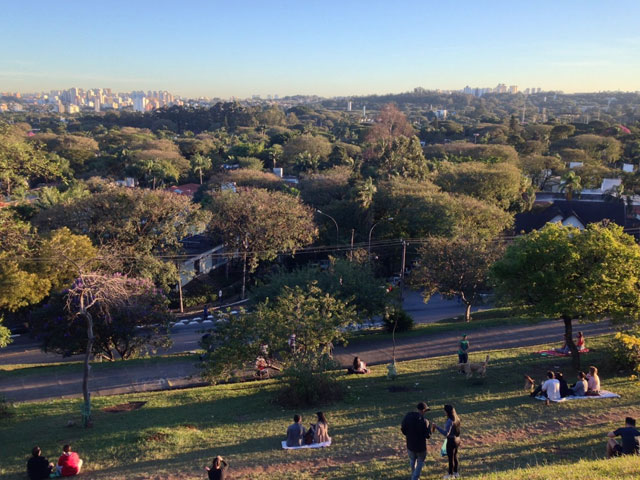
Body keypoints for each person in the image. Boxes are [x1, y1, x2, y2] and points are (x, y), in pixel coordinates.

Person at [401, 402, 431, 480]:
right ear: (423, 410)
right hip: (420, 447)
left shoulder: (408, 417)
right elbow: (428, 436)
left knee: (412, 459)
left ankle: (413, 475)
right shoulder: (425, 422)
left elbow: (403, 429)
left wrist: (408, 435)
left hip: (410, 444)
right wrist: (431, 429)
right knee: (420, 461)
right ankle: (415, 477)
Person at [434, 404, 462, 479]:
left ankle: (450, 474)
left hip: (451, 441)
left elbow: (446, 433)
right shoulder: (457, 418)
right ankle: (456, 473)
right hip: (457, 439)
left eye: (445, 411)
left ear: (447, 412)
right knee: (455, 456)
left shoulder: (450, 421)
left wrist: (437, 427)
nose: (444, 412)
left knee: (450, 458)